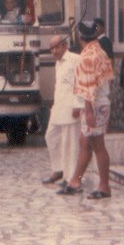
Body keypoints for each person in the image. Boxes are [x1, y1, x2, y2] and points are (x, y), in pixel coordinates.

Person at [57, 21, 114, 200]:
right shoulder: (101, 52)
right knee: (85, 143)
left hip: (94, 105)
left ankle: (104, 187)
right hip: (100, 102)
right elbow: (109, 78)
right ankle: (75, 181)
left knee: (97, 146)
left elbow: (89, 88)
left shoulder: (87, 57)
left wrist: (88, 111)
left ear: (80, 37)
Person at [42, 34, 80, 185]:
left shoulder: (75, 60)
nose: (54, 51)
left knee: (69, 142)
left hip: (71, 107)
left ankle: (70, 177)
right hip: (59, 107)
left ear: (65, 46)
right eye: (52, 48)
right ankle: (58, 169)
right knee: (51, 137)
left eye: (57, 47)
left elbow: (79, 83)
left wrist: (78, 104)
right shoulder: (58, 63)